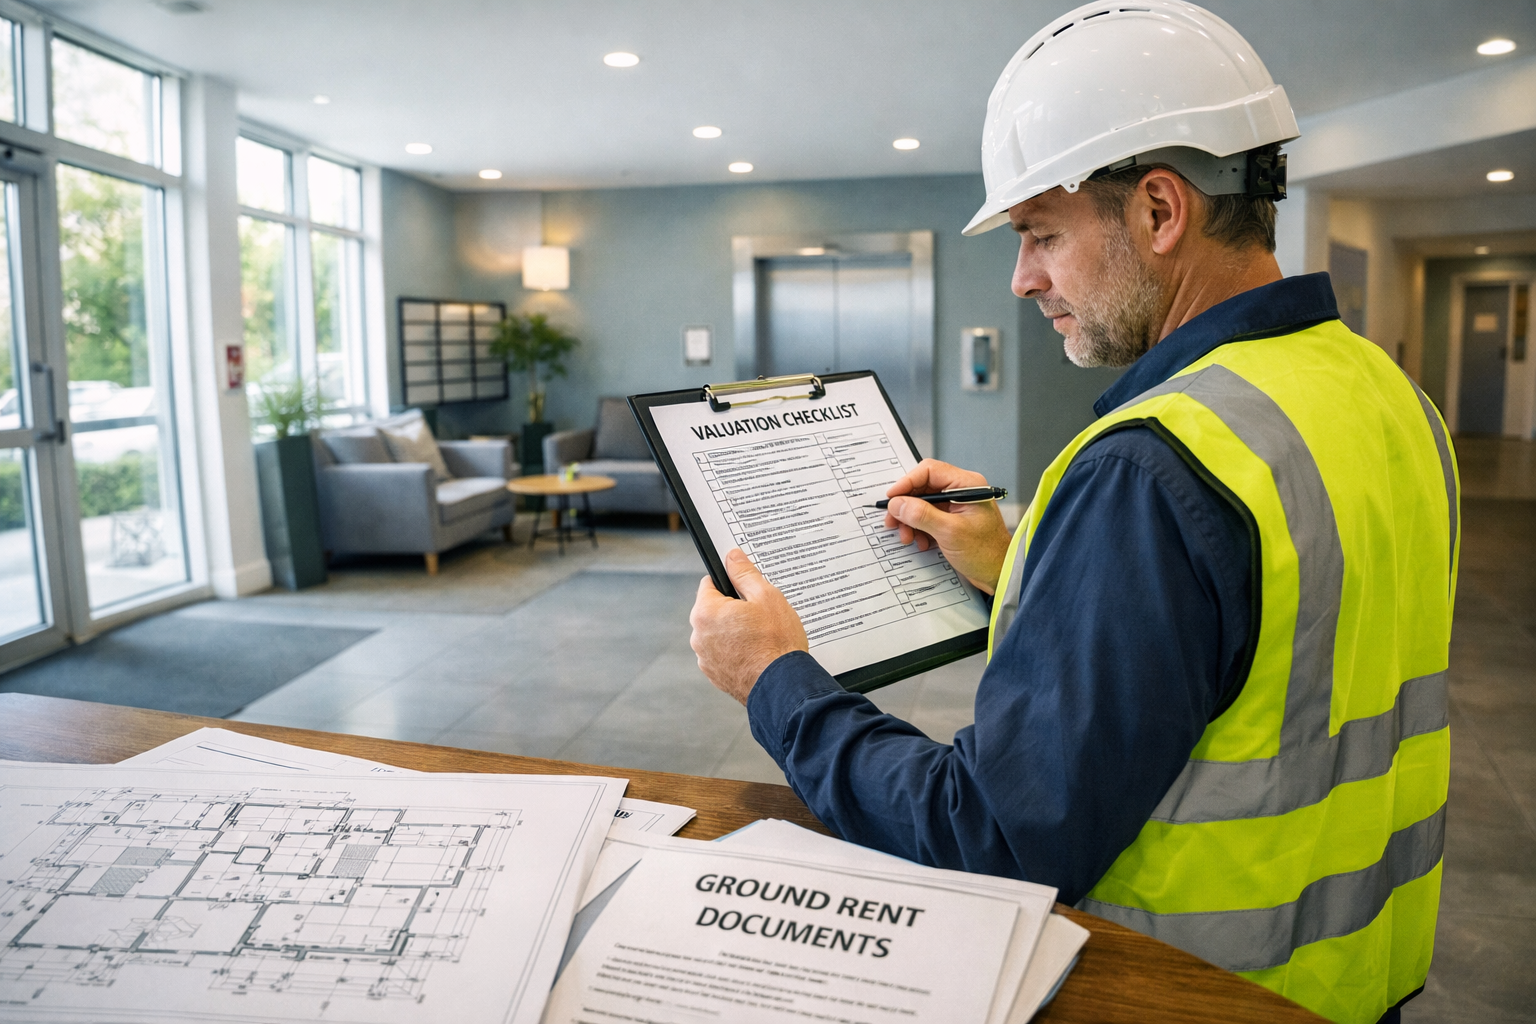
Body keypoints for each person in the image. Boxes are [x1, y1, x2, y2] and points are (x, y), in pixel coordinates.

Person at [686, 3, 1458, 1023]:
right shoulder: (1386, 394)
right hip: (1352, 977)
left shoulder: (1153, 467)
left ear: (1159, 211)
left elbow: (995, 834)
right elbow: (1272, 637)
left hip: (1188, 986)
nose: (1022, 279)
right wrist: (1023, 571)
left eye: (1041, 233)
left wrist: (776, 681)